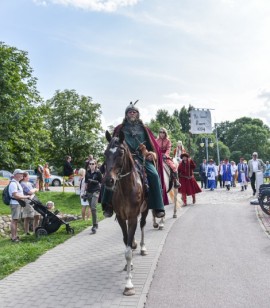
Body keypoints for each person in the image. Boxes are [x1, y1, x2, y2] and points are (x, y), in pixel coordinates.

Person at [102, 101, 168, 218]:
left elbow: (152, 146)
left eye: (134, 112)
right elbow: (113, 145)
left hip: (141, 158)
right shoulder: (119, 128)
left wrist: (150, 153)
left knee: (154, 175)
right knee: (108, 175)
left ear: (138, 114)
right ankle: (108, 205)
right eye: (130, 112)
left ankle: (158, 207)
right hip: (123, 158)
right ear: (126, 114)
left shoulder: (145, 129)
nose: (132, 114)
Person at [8, 169, 33, 242]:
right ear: (16, 174)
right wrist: (26, 197)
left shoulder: (17, 183)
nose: (22, 175)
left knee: (16, 220)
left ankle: (15, 236)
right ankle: (13, 237)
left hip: (18, 203)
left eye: (22, 174)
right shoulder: (13, 183)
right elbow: (15, 195)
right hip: (15, 203)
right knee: (14, 220)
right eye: (21, 173)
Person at [85, 160, 102, 234]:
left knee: (93, 207)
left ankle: (94, 225)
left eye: (93, 164)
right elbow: (85, 183)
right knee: (92, 209)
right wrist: (84, 192)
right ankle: (96, 223)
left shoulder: (98, 172)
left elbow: (101, 182)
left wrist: (94, 181)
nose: (91, 165)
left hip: (96, 191)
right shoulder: (87, 172)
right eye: (90, 164)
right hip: (89, 192)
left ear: (95, 165)